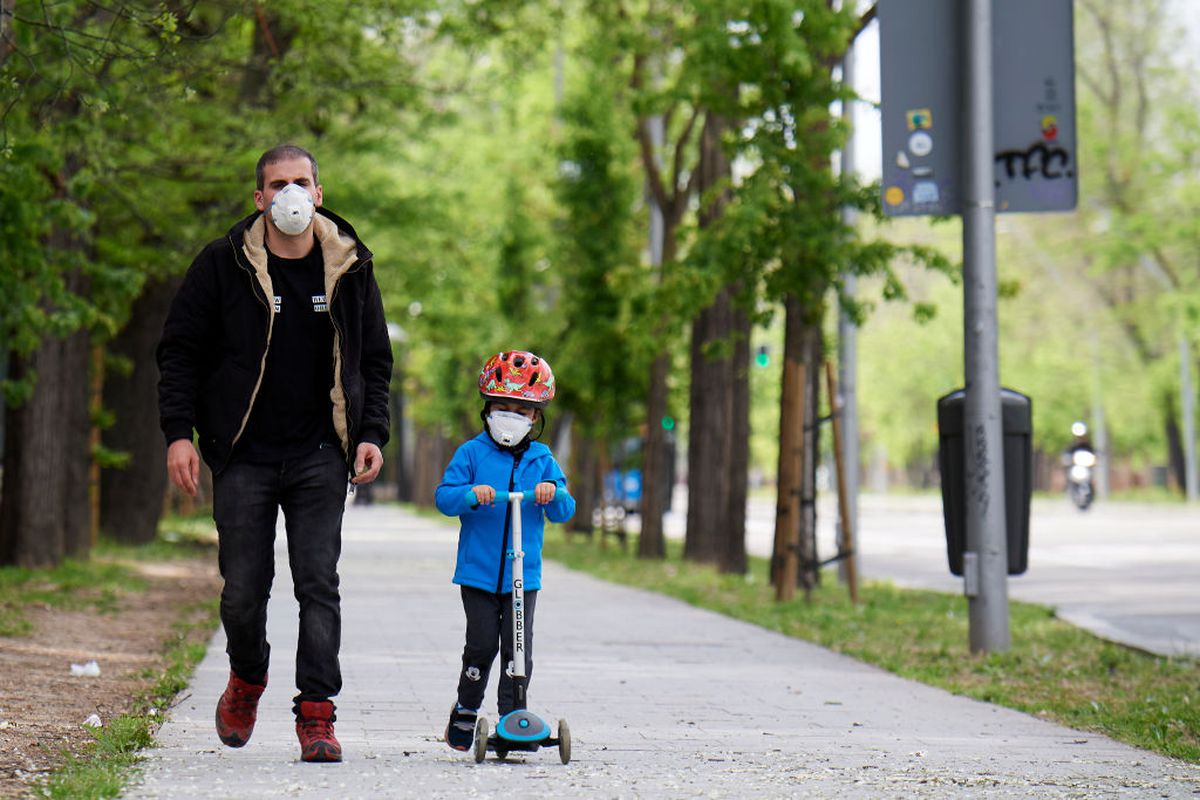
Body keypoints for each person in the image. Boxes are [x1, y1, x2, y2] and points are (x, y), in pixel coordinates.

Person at [156, 144, 392, 763]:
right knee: (242, 590)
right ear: (259, 198)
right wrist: (179, 432)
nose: (291, 192)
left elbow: (375, 361)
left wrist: (371, 433)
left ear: (318, 192)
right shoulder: (221, 264)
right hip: (244, 453)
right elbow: (179, 350)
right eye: (278, 183)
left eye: (302, 181)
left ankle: (317, 713)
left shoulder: (351, 265)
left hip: (321, 453)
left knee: (318, 583)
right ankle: (247, 677)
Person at [434, 350, 576, 751]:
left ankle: (514, 717)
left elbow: (566, 510)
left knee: (519, 648)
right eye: (502, 406)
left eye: (521, 409)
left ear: (535, 416)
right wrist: (470, 495)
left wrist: (553, 493)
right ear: (487, 408)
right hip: (478, 574)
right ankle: (465, 710)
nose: (511, 415)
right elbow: (444, 498)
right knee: (481, 645)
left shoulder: (542, 458)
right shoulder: (472, 453)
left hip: (523, 575)